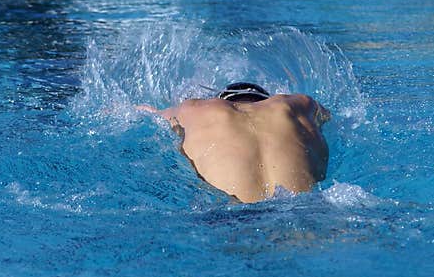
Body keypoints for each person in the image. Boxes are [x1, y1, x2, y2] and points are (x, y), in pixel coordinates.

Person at [137, 82, 331, 203]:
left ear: (224, 100)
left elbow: (146, 114)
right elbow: (328, 115)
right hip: (305, 210)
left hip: (228, 218)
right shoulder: (292, 104)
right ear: (265, 100)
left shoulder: (196, 108)